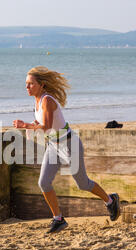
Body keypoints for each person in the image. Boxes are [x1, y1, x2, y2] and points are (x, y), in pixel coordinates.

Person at [13, 66, 120, 233]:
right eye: (26, 84)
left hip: (69, 145)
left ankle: (110, 201)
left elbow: (47, 127)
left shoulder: (47, 99)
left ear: (41, 85)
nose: (27, 87)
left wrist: (24, 125)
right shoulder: (37, 101)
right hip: (53, 146)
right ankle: (58, 219)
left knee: (83, 184)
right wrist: (31, 125)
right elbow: (43, 125)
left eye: (30, 84)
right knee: (44, 183)